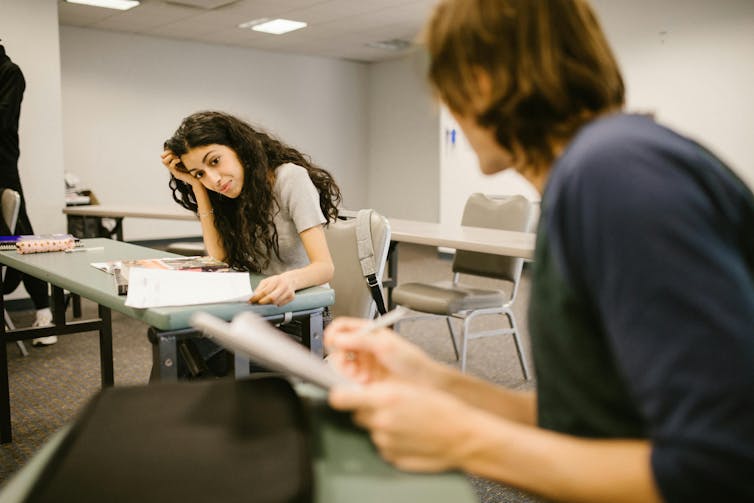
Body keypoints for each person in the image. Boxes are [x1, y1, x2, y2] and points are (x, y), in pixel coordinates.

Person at [323, 1, 754, 502]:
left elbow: (721, 470)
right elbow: (590, 424)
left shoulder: (612, 173)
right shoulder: (597, 173)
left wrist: (461, 440)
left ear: (479, 80)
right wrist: (432, 381)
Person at [162, 110, 341, 307]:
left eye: (215, 161)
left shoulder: (290, 178)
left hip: (303, 309)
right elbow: (218, 258)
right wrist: (197, 186)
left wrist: (288, 280)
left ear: (238, 147)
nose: (214, 180)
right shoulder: (230, 193)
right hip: (259, 306)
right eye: (200, 174)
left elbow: (325, 267)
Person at [0, 42, 55, 346]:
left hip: (3, 167)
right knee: (19, 238)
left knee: (21, 238)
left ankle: (44, 310)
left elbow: (3, 120)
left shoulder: (10, 72)